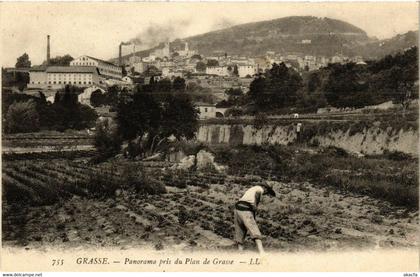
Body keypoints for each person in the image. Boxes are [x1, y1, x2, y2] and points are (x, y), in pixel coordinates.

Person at [234, 182, 276, 254]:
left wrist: (253, 211)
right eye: (267, 191)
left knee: (240, 229)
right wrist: (255, 206)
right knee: (254, 229)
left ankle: (240, 250)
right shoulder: (259, 189)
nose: (266, 193)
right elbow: (258, 193)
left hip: (237, 208)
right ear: (265, 188)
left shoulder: (252, 188)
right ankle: (261, 252)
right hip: (246, 209)